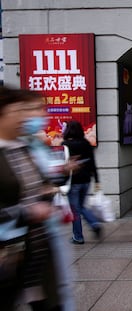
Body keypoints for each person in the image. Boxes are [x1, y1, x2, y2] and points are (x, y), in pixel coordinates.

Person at [0, 86, 59, 310]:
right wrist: (26, 212)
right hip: (7, 251)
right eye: (19, 111)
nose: (26, 117)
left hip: (34, 248)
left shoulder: (23, 147)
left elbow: (36, 185)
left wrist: (46, 191)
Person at [19, 90, 76, 310]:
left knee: (57, 290)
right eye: (34, 109)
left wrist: (62, 171)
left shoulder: (36, 144)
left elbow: (43, 177)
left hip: (46, 230)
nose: (41, 114)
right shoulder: (13, 147)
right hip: (21, 237)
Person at [62, 120, 102, 244]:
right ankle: (94, 223)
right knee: (81, 206)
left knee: (75, 209)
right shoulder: (86, 143)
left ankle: (78, 237)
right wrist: (97, 180)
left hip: (72, 182)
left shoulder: (65, 145)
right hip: (86, 180)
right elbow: (93, 163)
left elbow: (63, 165)